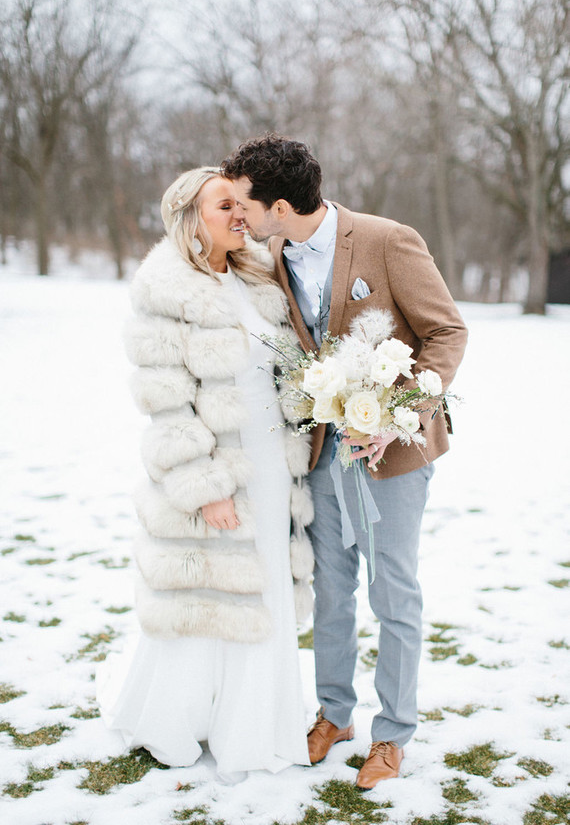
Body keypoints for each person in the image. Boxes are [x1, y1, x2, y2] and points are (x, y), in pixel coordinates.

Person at [221, 135, 468, 789]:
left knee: (394, 593)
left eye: (245, 204)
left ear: (280, 205)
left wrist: (404, 413)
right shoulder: (271, 252)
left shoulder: (389, 240)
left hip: (394, 454)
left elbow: (447, 331)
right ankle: (334, 712)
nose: (238, 216)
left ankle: (392, 735)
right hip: (322, 451)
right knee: (331, 591)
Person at [96, 166, 315, 782]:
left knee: (264, 585)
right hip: (219, 470)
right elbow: (166, 401)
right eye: (226, 205)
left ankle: (254, 719)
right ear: (192, 219)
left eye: (240, 203)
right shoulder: (165, 288)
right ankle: (179, 716)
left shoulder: (257, 276)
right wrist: (206, 486)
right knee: (206, 597)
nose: (240, 214)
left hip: (272, 465)